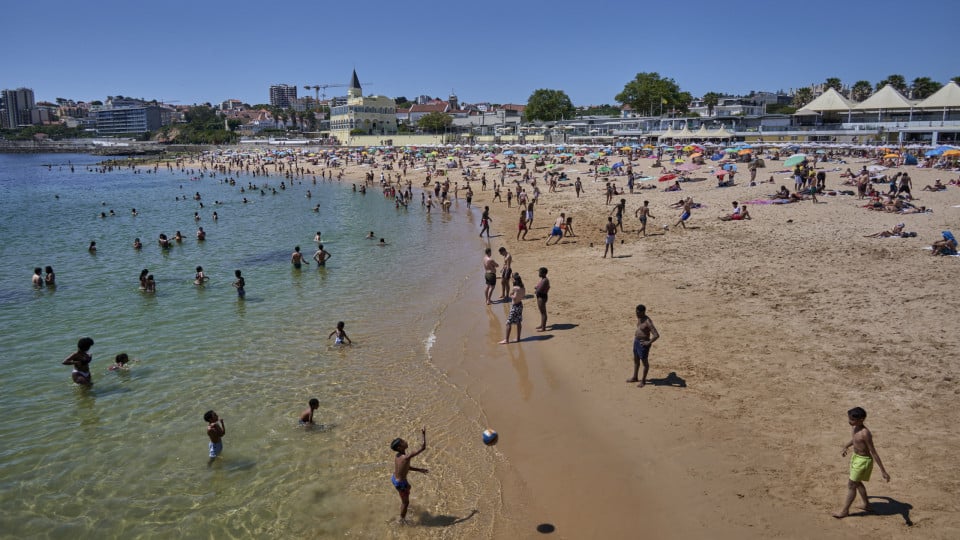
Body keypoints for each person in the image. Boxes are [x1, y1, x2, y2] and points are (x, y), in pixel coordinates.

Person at [833, 407, 890, 518]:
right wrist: (846, 446)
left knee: (851, 485)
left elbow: (873, 452)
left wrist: (883, 471)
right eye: (849, 419)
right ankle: (867, 505)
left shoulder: (865, 433)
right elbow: (854, 440)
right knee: (857, 483)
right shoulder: (854, 427)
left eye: (852, 420)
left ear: (861, 419)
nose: (850, 422)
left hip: (863, 461)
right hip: (856, 458)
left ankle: (845, 511)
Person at [390, 427, 428, 523]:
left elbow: (405, 467)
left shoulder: (398, 456)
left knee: (408, 489)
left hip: (394, 478)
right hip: (401, 483)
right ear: (399, 447)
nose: (405, 441)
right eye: (403, 442)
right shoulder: (406, 457)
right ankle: (401, 520)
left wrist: (419, 469)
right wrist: (423, 434)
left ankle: (404, 502)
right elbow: (423, 447)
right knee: (405, 503)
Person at [626, 304, 659, 388]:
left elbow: (656, 335)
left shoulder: (648, 321)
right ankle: (635, 377)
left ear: (643, 312)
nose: (636, 314)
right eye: (636, 312)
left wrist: (648, 342)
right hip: (636, 342)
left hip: (643, 344)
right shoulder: (639, 318)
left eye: (638, 313)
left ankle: (643, 381)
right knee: (636, 360)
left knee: (645, 363)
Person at [499, 273, 525, 344]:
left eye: (512, 279)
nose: (512, 280)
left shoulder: (515, 288)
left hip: (515, 306)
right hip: (520, 305)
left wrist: (511, 295)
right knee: (518, 322)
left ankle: (506, 340)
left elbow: (515, 297)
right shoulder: (523, 287)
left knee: (508, 323)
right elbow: (522, 296)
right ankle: (518, 338)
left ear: (515, 280)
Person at [534, 267, 550, 332]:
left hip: (542, 297)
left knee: (543, 313)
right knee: (542, 312)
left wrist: (536, 290)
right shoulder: (543, 279)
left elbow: (539, 290)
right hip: (541, 296)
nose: (539, 273)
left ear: (543, 273)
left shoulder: (545, 280)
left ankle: (543, 328)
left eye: (540, 272)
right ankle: (542, 325)